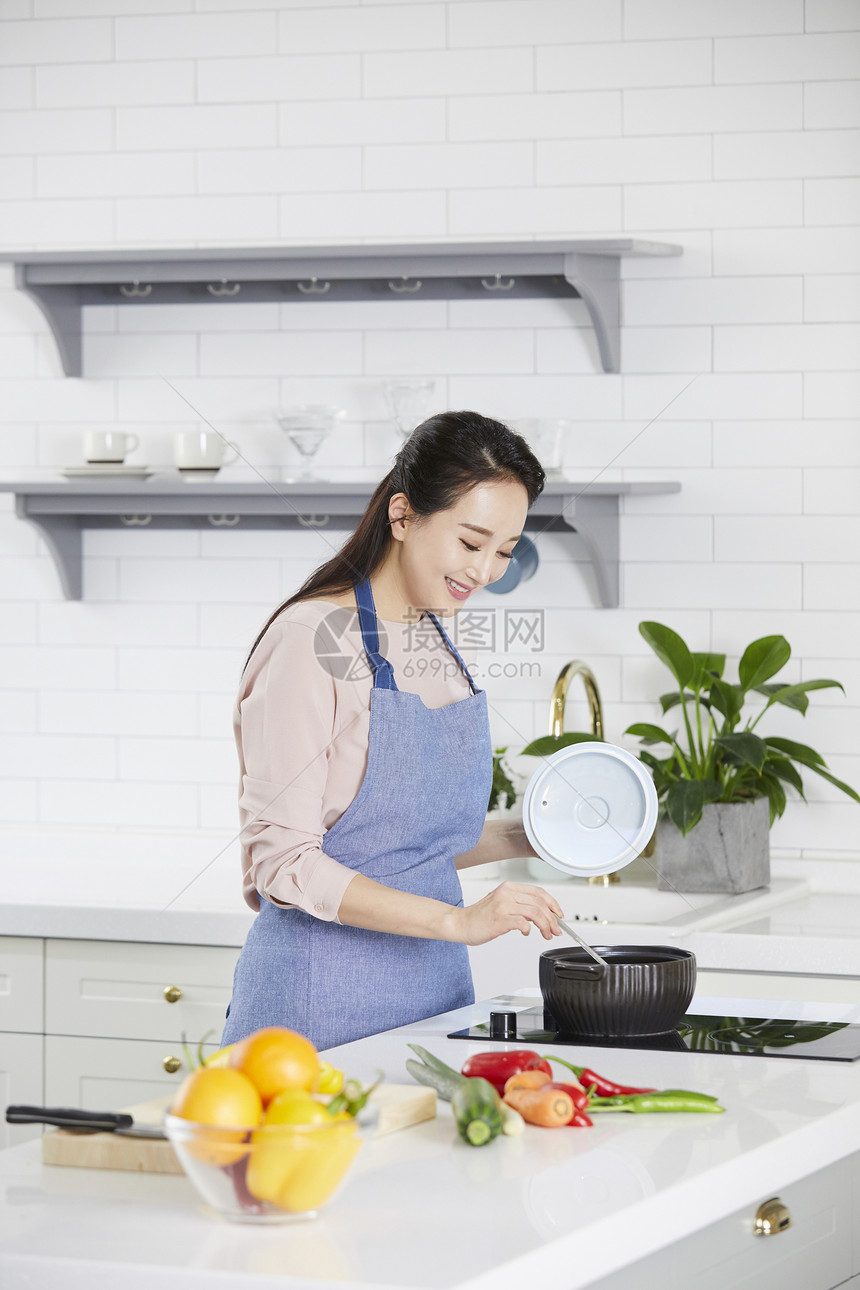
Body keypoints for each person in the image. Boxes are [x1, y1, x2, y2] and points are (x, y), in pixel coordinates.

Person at [221, 410, 564, 1051]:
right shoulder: (308, 639)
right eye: (471, 543)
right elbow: (284, 863)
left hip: (433, 1006)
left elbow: (404, 846)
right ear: (403, 515)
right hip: (314, 1014)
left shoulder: (436, 636)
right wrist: (460, 922)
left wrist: (536, 834)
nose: (487, 571)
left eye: (505, 551)